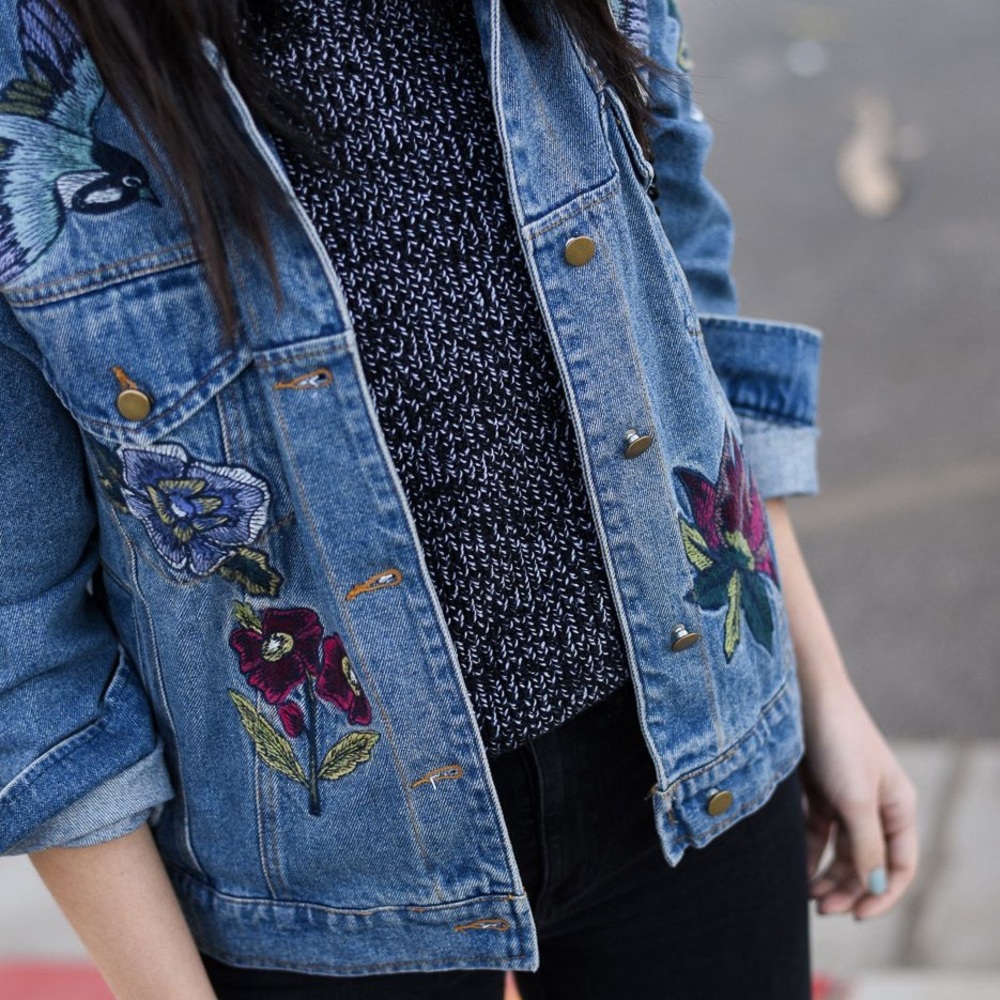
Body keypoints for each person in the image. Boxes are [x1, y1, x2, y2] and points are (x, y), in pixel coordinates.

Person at [0, 0, 918, 997]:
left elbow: (680, 290)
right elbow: (21, 628)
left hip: (697, 763)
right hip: (323, 896)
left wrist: (815, 682)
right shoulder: (34, 54)